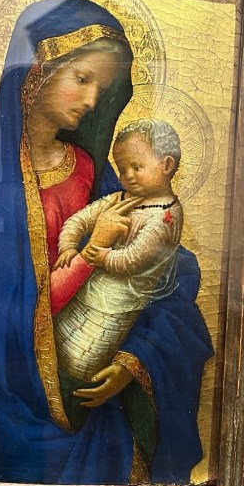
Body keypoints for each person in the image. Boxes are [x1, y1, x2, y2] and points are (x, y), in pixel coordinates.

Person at [0, 0, 213, 486]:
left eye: (101, 89)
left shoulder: (90, 169)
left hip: (90, 390)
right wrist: (89, 256)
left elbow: (160, 270)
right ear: (36, 70)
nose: (91, 100)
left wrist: (133, 360)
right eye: (82, 79)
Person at [54, 118, 184, 384]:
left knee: (81, 366)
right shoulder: (119, 198)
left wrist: (101, 255)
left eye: (136, 167)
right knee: (56, 350)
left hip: (114, 310)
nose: (127, 177)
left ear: (167, 165)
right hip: (83, 295)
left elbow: (134, 259)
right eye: (122, 170)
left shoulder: (166, 216)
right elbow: (80, 220)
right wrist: (68, 245)